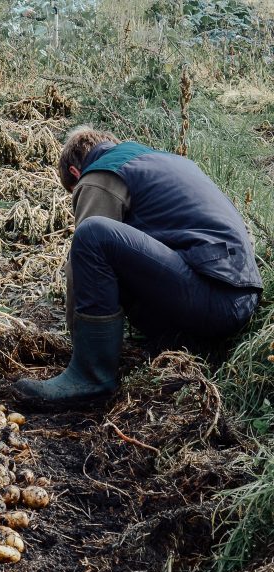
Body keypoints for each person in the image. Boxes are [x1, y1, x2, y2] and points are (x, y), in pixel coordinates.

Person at [15, 126, 262, 403]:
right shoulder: (161, 162)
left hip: (212, 294)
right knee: (122, 260)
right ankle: (185, 344)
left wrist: (77, 344)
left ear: (75, 173)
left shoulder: (100, 175)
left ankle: (89, 377)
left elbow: (82, 260)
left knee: (93, 235)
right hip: (238, 294)